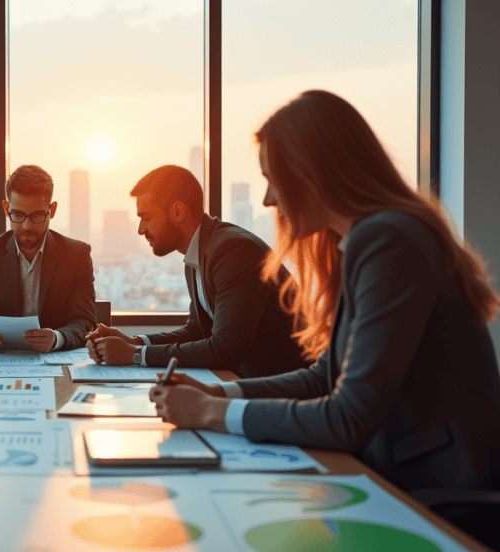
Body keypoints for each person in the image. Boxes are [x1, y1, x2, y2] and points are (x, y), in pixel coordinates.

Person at [151, 90, 500, 491]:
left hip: (441, 490)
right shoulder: (367, 240)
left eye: (271, 179)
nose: (267, 199)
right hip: (401, 472)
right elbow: (325, 378)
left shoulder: (387, 240)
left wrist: (214, 411)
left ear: (310, 172)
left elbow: (347, 416)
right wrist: (216, 392)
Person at [86, 165, 306, 378]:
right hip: (247, 379)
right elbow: (198, 331)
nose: (141, 229)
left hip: (285, 388)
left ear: (178, 211)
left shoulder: (233, 251)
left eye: (147, 217)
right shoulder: (199, 252)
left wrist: (134, 355)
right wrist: (135, 342)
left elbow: (224, 350)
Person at [0, 164, 96, 352]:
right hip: (3, 359)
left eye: (37, 215)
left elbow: (85, 321)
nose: (26, 226)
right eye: (18, 215)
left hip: (56, 361)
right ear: (6, 208)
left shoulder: (76, 254)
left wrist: (57, 338)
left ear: (52, 210)